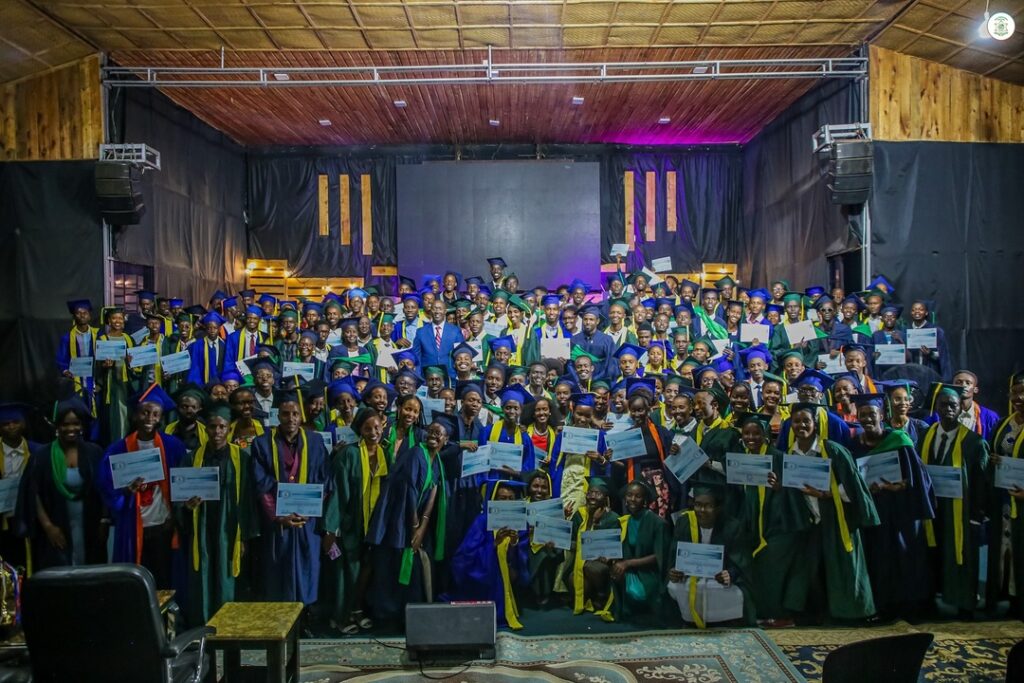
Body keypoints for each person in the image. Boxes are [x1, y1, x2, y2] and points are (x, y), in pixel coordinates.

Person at [849, 394, 936, 619]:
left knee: (903, 556)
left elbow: (919, 479)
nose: (868, 419)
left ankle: (908, 606)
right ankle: (881, 606)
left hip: (900, 512)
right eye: (863, 415)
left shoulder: (900, 441)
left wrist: (902, 487)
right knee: (877, 558)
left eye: (872, 414)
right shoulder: (854, 446)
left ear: (882, 416)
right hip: (873, 513)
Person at [365, 412, 453, 626]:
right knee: (394, 564)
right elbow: (408, 492)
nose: (433, 435)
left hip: (414, 520)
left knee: (414, 565)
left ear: (446, 440)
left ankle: (410, 614)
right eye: (431, 431)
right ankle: (388, 614)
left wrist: (423, 526)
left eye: (438, 433)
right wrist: (415, 527)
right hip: (398, 519)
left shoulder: (437, 462)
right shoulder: (416, 454)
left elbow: (432, 493)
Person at [250, 389, 331, 619]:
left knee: (308, 565)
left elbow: (325, 480)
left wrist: (310, 511)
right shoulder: (262, 443)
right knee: (279, 568)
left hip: (307, 521)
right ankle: (281, 618)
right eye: (286, 414)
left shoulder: (315, 442)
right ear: (277, 415)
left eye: (295, 414)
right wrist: (277, 516)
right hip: (278, 521)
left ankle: (305, 617)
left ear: (302, 415)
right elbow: (261, 483)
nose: (291, 419)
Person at [97, 384, 187, 589]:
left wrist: (175, 517)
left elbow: (182, 483)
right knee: (135, 581)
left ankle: (167, 620)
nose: (150, 418)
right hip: (132, 523)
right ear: (135, 415)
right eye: (145, 413)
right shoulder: (118, 449)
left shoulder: (174, 446)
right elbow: (106, 486)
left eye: (156, 414)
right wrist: (125, 491)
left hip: (163, 525)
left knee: (164, 580)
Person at [177, 401, 258, 625]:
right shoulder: (191, 458)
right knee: (202, 572)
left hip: (230, 527)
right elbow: (179, 497)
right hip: (201, 525)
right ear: (206, 428)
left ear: (229, 428)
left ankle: (227, 625)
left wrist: (244, 537)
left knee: (227, 576)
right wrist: (187, 506)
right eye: (213, 427)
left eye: (222, 427)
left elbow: (249, 499)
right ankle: (202, 626)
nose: (217, 432)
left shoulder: (241, 458)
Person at [731, 413, 810, 627]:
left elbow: (798, 491)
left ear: (766, 436)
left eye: (756, 433)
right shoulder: (741, 459)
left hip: (780, 526)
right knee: (759, 569)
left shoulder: (779, 457)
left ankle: (781, 615)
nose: (751, 438)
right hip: (755, 527)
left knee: (774, 571)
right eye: (747, 433)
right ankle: (763, 613)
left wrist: (779, 488)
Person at [917, 385, 990, 616]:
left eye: (953, 405)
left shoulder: (974, 443)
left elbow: (981, 483)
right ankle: (931, 601)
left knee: (960, 555)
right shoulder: (926, 435)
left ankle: (963, 603)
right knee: (932, 553)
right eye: (943, 404)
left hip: (961, 510)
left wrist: (977, 516)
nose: (948, 409)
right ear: (936, 407)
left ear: (960, 409)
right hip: (933, 508)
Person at [17, 397, 106, 570]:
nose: (71, 429)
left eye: (76, 423)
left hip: (89, 524)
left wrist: (104, 519)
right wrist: (48, 526)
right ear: (57, 426)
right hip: (57, 523)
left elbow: (103, 488)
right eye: (65, 424)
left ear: (81, 426)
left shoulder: (94, 453)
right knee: (60, 571)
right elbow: (33, 493)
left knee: (91, 570)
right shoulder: (41, 456)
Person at [323, 407, 388, 634]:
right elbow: (338, 493)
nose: (373, 432)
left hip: (373, 525)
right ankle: (339, 616)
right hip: (349, 524)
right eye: (367, 428)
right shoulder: (349, 454)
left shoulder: (384, 453)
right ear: (359, 429)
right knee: (345, 574)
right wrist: (331, 529)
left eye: (377, 427)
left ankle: (356, 609)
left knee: (365, 572)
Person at [448, 478, 530, 629]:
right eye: (502, 498)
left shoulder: (519, 521)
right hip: (486, 570)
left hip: (509, 568)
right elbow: (464, 556)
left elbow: (521, 555)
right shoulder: (482, 521)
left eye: (511, 499)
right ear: (493, 499)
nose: (506, 502)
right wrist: (494, 544)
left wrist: (513, 544)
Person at [668, 487, 754, 627]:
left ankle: (721, 622)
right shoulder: (684, 522)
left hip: (717, 577)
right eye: (698, 505)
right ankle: (688, 620)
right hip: (689, 576)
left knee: (727, 591)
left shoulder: (732, 526)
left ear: (718, 508)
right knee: (675, 587)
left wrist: (730, 574)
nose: (702, 510)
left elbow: (741, 560)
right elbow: (674, 555)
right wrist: (673, 571)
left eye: (708, 506)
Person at [988, 372, 1024, 619]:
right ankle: (1011, 597)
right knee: (1006, 549)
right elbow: (995, 451)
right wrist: (993, 460)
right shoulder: (1003, 423)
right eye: (1015, 392)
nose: (1019, 397)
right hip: (1005, 499)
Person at [565, 476, 624, 622]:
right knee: (573, 577)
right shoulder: (579, 514)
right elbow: (571, 541)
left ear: (605, 498)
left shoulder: (613, 518)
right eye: (590, 492)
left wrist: (596, 523)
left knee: (593, 568)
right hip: (580, 561)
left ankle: (601, 594)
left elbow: (615, 548)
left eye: (597, 494)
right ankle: (588, 598)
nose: (592, 497)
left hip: (602, 563)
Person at [612, 480, 670, 623]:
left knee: (639, 593)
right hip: (630, 569)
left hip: (650, 572)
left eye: (637, 496)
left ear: (645, 500)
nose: (632, 499)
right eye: (629, 495)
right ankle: (626, 609)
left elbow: (660, 556)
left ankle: (647, 608)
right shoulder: (624, 521)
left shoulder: (658, 523)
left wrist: (628, 563)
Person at [95, 307, 140, 445]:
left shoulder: (129, 339)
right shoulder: (102, 338)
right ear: (108, 320)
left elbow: (135, 362)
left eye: (120, 318)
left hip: (126, 383)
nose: (117, 321)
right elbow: (96, 365)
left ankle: (126, 444)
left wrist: (131, 363)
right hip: (110, 383)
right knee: (113, 417)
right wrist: (104, 366)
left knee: (126, 416)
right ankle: (115, 445)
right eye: (114, 318)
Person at [523, 469, 562, 607]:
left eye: (543, 487)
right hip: (524, 544)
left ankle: (543, 593)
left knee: (545, 553)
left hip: (547, 546)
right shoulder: (521, 505)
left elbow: (559, 534)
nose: (539, 490)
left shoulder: (553, 507)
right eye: (535, 486)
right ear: (529, 487)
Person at [412, 299, 463, 376]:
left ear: (445, 311)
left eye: (440, 309)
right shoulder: (421, 332)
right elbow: (416, 357)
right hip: (428, 376)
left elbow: (460, 353)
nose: (437, 311)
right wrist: (419, 376)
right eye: (434, 308)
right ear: (430, 311)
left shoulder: (455, 331)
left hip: (450, 375)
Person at [951, 370, 1001, 440]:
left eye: (968, 383)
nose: (963, 385)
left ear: (975, 390)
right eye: (958, 382)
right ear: (952, 387)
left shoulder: (990, 417)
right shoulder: (939, 415)